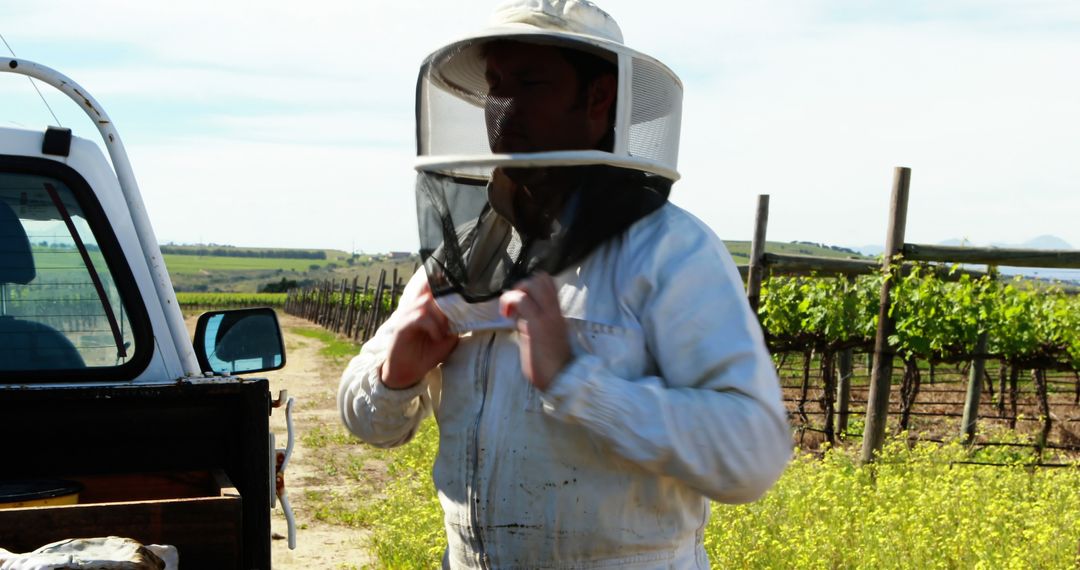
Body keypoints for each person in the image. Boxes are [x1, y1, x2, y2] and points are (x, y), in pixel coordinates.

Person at [338, 1, 791, 568]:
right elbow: (364, 419)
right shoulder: (469, 250)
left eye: (530, 83)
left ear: (599, 99)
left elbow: (751, 454)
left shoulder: (670, 250)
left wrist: (576, 382)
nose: (502, 108)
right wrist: (396, 375)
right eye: (496, 85)